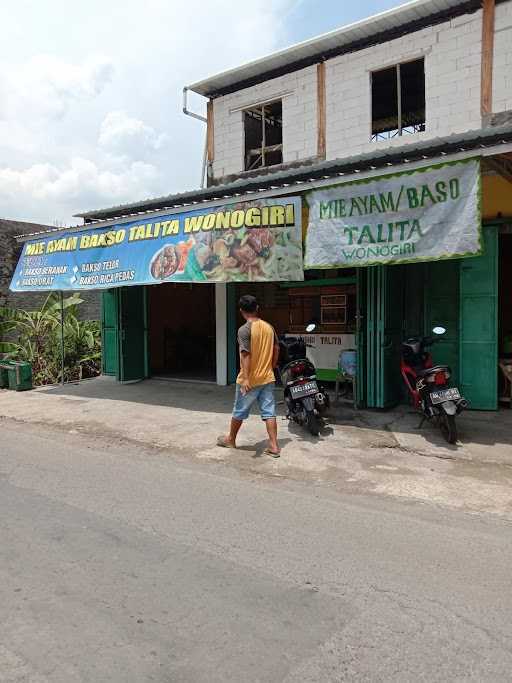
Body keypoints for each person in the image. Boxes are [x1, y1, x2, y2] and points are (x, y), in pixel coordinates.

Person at [217, 294, 280, 457]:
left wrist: (245, 378)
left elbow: (245, 354)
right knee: (269, 412)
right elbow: (276, 349)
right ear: (257, 308)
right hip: (267, 378)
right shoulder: (269, 327)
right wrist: (271, 367)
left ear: (241, 311)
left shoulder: (244, 330)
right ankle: (274, 446)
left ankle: (231, 439)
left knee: (239, 411)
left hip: (250, 380)